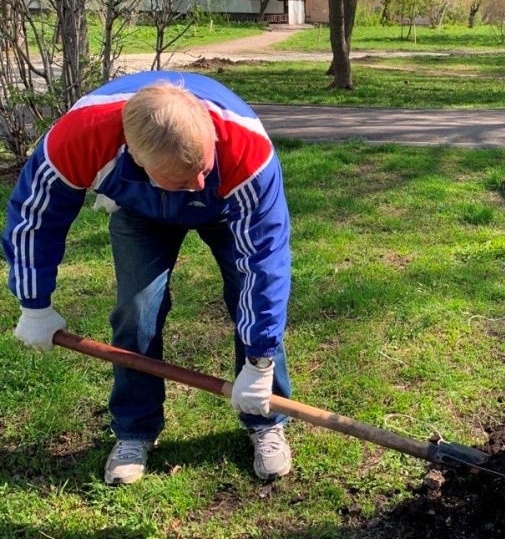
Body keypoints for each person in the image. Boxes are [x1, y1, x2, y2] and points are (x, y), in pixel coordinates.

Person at [3, 71, 293, 485]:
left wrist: (259, 359)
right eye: (181, 179)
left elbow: (265, 266)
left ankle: (267, 420)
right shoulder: (81, 137)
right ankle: (135, 430)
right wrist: (34, 304)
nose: (195, 184)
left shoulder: (244, 150)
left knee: (243, 295)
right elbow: (35, 219)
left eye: (201, 169)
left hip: (227, 208)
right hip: (139, 210)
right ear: (138, 158)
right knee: (136, 312)